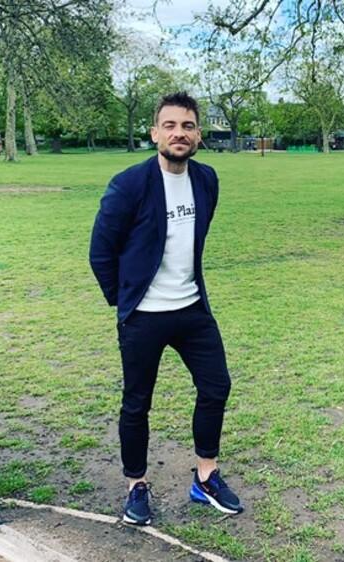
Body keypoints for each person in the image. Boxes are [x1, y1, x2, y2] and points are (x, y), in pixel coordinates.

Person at [89, 92, 243, 526]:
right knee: (137, 403)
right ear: (155, 132)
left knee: (216, 387)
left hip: (192, 309)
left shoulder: (207, 180)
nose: (180, 133)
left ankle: (205, 476)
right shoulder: (129, 184)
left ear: (198, 135)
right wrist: (125, 301)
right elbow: (101, 251)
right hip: (143, 316)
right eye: (170, 125)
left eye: (188, 126)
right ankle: (135, 484)